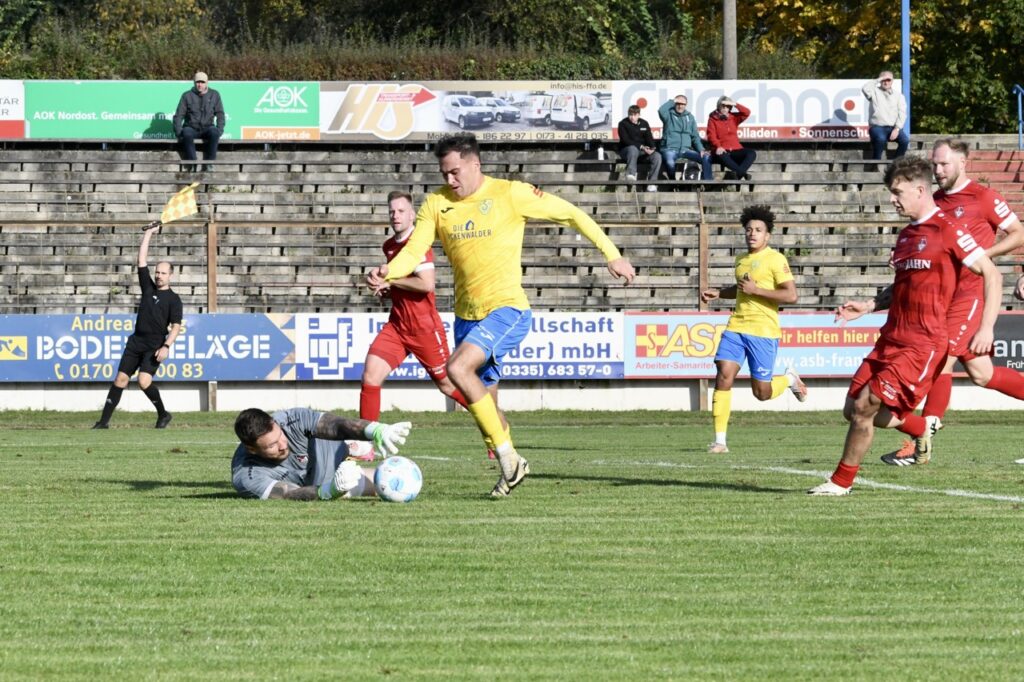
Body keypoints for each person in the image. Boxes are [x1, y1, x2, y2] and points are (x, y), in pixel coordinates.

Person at [367, 133, 635, 497]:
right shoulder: (436, 204)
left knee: (457, 369)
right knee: (486, 406)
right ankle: (512, 467)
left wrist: (612, 253)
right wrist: (389, 272)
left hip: (507, 308)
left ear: (475, 164)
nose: (450, 180)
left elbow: (571, 214)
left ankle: (508, 457)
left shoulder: (510, 193)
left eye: (455, 172)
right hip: (466, 316)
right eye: (444, 173)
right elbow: (414, 250)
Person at [808, 156, 1003, 496]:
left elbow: (992, 273)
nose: (893, 199)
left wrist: (986, 328)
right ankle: (920, 429)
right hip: (891, 337)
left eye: (897, 192)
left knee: (867, 406)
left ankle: (840, 483)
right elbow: (902, 285)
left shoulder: (949, 230)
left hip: (922, 343)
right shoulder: (907, 236)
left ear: (920, 189)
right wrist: (869, 306)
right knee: (852, 410)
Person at [881, 138, 1024, 465]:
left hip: (970, 296)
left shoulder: (984, 197)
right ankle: (919, 437)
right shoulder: (932, 200)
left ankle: (918, 442)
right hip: (942, 296)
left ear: (963, 163)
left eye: (944, 163)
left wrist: (980, 256)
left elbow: (1018, 233)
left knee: (940, 358)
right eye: (935, 164)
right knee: (983, 374)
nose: (938, 169)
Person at [360, 190, 470, 448]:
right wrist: (383, 287)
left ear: (412, 215)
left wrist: (391, 279)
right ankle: (365, 446)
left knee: (446, 384)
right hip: (398, 326)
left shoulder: (418, 244)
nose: (395, 216)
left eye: (400, 211)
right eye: (392, 211)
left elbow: (426, 284)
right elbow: (402, 285)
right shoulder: (389, 246)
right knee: (370, 377)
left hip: (424, 329)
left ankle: (493, 423)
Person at [700, 205, 807, 453]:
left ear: (767, 235)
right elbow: (741, 289)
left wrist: (757, 290)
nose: (752, 233)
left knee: (762, 393)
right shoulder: (741, 260)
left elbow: (791, 295)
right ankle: (720, 441)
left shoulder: (775, 259)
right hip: (736, 325)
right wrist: (720, 293)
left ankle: (789, 379)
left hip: (763, 331)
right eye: (749, 229)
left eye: (758, 230)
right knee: (723, 373)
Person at [93, 223, 182, 429]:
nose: (159, 275)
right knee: (120, 380)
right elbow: (141, 260)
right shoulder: (148, 288)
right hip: (136, 342)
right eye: (158, 272)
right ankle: (103, 422)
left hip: (154, 345)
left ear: (171, 275)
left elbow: (176, 326)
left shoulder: (174, 299)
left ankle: (163, 414)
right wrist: (149, 233)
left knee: (143, 381)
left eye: (163, 273)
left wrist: (166, 346)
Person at [231, 407, 411, 500]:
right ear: (252, 449)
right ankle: (348, 463)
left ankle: (348, 446)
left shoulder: (290, 420)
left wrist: (375, 429)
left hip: (326, 447)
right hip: (316, 480)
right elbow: (288, 494)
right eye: (271, 445)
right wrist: (328, 491)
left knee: (334, 435)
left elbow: (335, 424)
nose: (282, 445)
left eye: (280, 436)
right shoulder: (246, 476)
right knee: (382, 482)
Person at [173, 71, 225, 171]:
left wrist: (220, 130)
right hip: (191, 127)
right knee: (186, 132)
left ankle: (210, 163)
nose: (200, 84)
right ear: (194, 82)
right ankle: (193, 163)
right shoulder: (186, 96)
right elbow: (179, 115)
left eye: (202, 82)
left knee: (214, 132)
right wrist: (179, 133)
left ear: (207, 83)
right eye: (197, 82)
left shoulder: (215, 95)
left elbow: (220, 114)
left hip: (208, 127)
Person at [657, 95, 712, 181]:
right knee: (670, 162)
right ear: (675, 104)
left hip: (686, 150)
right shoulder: (668, 115)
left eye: (683, 104)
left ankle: (708, 181)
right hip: (669, 149)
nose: (680, 106)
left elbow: (695, 136)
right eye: (678, 103)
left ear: (686, 105)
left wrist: (701, 149)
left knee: (706, 157)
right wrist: (673, 100)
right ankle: (673, 181)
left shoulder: (690, 117)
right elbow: (661, 110)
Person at [706, 96, 756, 180]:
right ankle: (742, 173)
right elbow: (711, 135)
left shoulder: (733, 117)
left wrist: (735, 104)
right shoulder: (712, 119)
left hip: (736, 149)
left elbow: (747, 112)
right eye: (723, 106)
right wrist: (718, 146)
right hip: (722, 151)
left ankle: (739, 174)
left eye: (728, 106)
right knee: (721, 154)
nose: (725, 108)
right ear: (719, 106)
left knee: (752, 153)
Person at [862, 71, 909, 160]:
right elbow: (865, 89)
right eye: (884, 80)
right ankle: (875, 162)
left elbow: (902, 113)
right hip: (877, 127)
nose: (886, 82)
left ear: (892, 81)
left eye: (888, 80)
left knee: (905, 141)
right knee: (881, 139)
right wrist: (878, 79)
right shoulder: (874, 92)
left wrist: (897, 128)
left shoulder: (899, 96)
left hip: (893, 128)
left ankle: (896, 163)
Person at [617, 105, 662, 191]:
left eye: (634, 115)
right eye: (630, 115)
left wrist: (652, 148)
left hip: (642, 152)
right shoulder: (622, 124)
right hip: (626, 151)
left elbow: (649, 138)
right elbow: (626, 140)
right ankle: (630, 175)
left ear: (638, 115)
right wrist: (641, 147)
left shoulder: (644, 123)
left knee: (657, 156)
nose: (632, 117)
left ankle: (652, 183)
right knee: (633, 148)